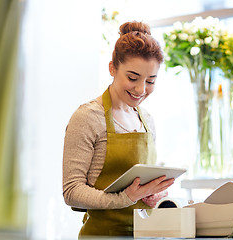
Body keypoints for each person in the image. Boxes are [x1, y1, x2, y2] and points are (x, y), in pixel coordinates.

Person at [62, 21, 174, 237]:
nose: (141, 90)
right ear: (113, 68)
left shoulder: (147, 121)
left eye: (150, 81)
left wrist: (154, 195)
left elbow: (143, 184)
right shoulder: (88, 117)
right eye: (132, 78)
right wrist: (125, 199)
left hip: (146, 234)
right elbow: (71, 191)